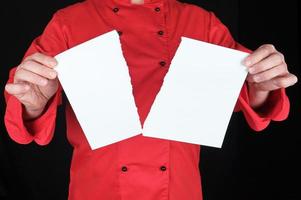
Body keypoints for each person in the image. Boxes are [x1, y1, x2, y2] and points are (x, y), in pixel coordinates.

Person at [3, 0, 298, 199]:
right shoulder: (68, 22)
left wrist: (262, 84)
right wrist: (33, 102)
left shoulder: (202, 23)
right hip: (96, 189)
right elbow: (27, 107)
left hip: (179, 191)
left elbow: (245, 97)